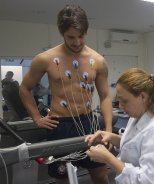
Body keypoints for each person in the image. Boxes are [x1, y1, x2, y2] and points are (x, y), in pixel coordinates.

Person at [19, 5, 112, 184]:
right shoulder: (45, 58)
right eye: (71, 37)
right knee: (63, 179)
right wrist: (37, 118)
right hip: (60, 125)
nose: (76, 42)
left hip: (89, 122)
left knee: (100, 174)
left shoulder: (98, 61)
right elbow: (24, 88)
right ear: (62, 33)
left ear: (86, 32)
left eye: (81, 36)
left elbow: (105, 96)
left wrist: (108, 129)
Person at [85, 68, 154, 184]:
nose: (120, 106)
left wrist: (109, 159)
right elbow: (136, 145)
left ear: (143, 97)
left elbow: (149, 181)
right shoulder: (136, 117)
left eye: (124, 101)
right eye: (119, 100)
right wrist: (112, 137)